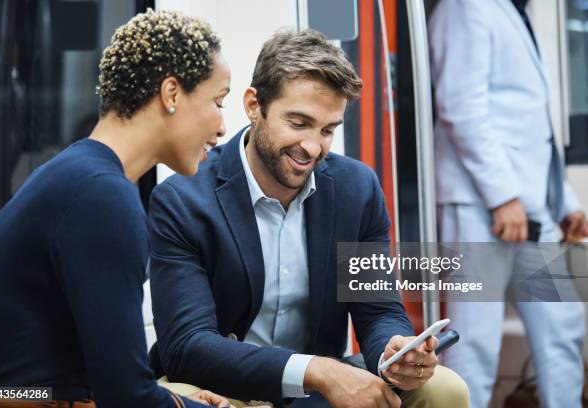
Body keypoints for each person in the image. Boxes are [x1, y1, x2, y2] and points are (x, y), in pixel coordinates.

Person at [148, 28, 469, 408]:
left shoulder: (356, 190)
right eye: (298, 123)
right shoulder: (183, 200)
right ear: (254, 105)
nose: (313, 147)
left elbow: (379, 310)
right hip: (219, 386)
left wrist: (395, 352)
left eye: (328, 130)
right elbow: (187, 345)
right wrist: (316, 370)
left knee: (444, 388)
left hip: (319, 390)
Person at [0, 9, 233, 408]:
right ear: (171, 94)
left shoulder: (79, 174)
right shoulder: (103, 198)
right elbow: (126, 397)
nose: (222, 127)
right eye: (219, 101)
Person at [429, 0, 588, 407]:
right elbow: (461, 107)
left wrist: (563, 201)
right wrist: (502, 196)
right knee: (473, 342)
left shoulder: (516, 11)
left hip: (531, 208)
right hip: (481, 202)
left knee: (562, 327)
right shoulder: (466, 7)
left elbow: (532, 124)